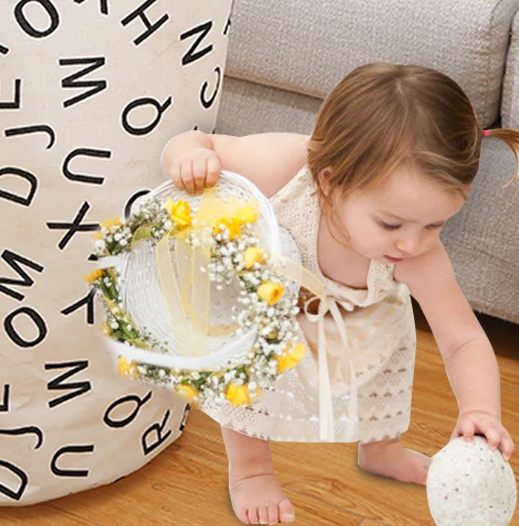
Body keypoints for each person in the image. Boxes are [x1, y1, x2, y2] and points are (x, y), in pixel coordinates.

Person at [160, 63, 518, 525]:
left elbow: (462, 339)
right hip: (275, 313)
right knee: (248, 367)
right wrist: (188, 157)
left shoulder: (419, 256)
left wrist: (480, 409)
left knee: (387, 362)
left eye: (435, 224)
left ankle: (381, 450)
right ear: (329, 182)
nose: (412, 244)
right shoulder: (283, 167)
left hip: (362, 322)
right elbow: (199, 144)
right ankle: (250, 470)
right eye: (391, 223)